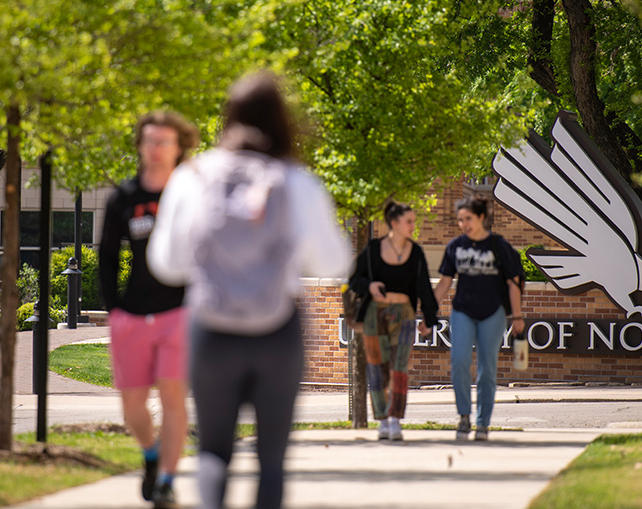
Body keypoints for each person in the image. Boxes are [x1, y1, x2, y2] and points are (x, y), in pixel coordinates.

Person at [147, 71, 349, 509]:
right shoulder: (296, 181)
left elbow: (165, 264)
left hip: (211, 329)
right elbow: (336, 263)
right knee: (271, 459)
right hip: (277, 329)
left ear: (228, 116)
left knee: (213, 448)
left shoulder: (193, 177)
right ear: (282, 120)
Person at [98, 111, 198, 509]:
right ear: (140, 146)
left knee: (174, 398)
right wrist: (115, 310)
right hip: (133, 316)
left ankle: (168, 482)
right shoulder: (123, 198)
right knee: (133, 408)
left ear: (178, 148)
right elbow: (106, 257)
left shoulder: (191, 195)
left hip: (180, 313)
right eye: (150, 141)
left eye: (164, 142)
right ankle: (152, 456)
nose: (156, 150)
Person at [430, 195, 525, 441]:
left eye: (468, 219)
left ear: (481, 217)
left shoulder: (498, 246)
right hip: (462, 311)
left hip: (492, 313)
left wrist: (517, 316)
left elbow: (513, 283)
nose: (464, 224)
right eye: (460, 220)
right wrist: (429, 311)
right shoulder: (455, 247)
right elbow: (444, 282)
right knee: (459, 361)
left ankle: (483, 423)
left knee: (487, 369)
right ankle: (464, 417)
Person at [348, 201, 438, 441]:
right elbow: (354, 279)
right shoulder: (373, 248)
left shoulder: (416, 252)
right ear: (394, 223)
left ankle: (396, 420)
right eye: (408, 221)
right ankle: (383, 421)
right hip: (374, 315)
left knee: (399, 368)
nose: (412, 225)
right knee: (377, 368)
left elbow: (424, 287)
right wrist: (369, 285)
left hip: (405, 315)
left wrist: (429, 318)